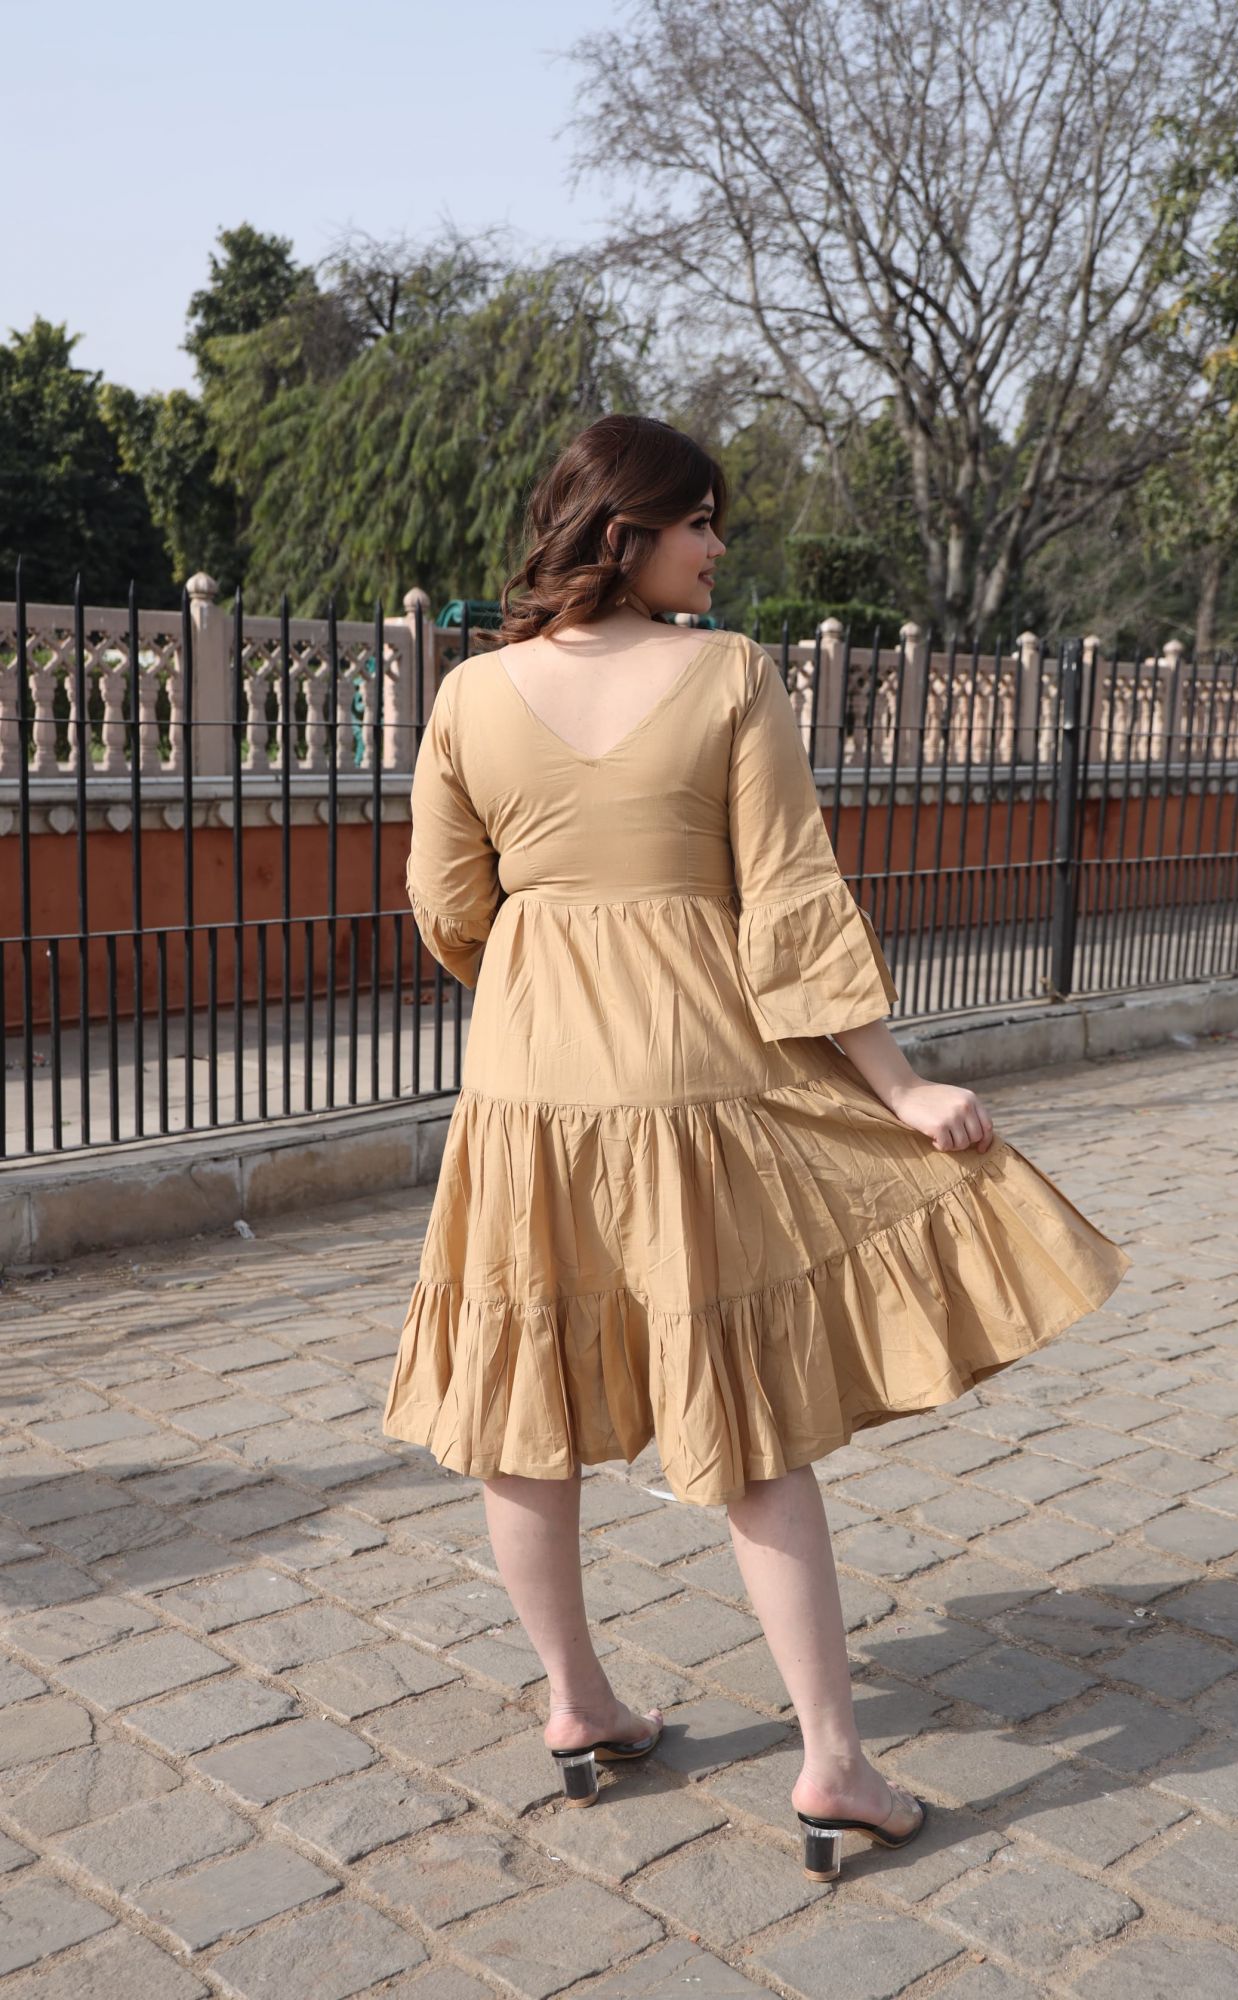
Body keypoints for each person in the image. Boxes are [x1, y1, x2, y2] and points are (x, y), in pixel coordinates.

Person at [382, 412, 1129, 1881]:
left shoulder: (468, 692)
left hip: (525, 1088)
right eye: (700, 522)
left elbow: (444, 908)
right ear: (626, 529)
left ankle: (577, 1704)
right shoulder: (725, 676)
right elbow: (792, 902)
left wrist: (550, 976)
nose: (719, 548)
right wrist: (896, 1086)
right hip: (694, 1077)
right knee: (749, 1420)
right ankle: (833, 1765)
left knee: (521, 1403)